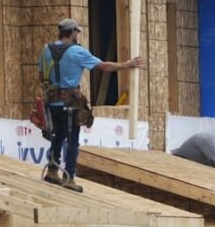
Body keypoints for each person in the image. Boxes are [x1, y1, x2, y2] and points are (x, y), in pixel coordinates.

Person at [38, 17, 144, 192]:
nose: (77, 36)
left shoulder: (45, 51)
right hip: (69, 103)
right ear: (72, 32)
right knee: (72, 140)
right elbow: (103, 66)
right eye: (76, 32)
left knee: (58, 134)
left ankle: (52, 170)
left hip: (51, 103)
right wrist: (127, 65)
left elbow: (41, 77)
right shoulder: (76, 51)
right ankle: (69, 177)